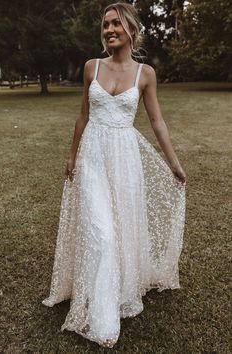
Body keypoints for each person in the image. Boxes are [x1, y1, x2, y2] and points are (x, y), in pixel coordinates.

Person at [42, 2, 186, 348]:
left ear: (131, 31)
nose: (109, 30)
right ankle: (103, 320)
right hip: (93, 155)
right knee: (101, 232)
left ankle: (118, 287)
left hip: (125, 159)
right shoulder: (91, 68)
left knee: (121, 225)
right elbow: (82, 116)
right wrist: (72, 155)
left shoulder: (145, 74)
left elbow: (156, 121)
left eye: (116, 24)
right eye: (105, 24)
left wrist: (174, 163)